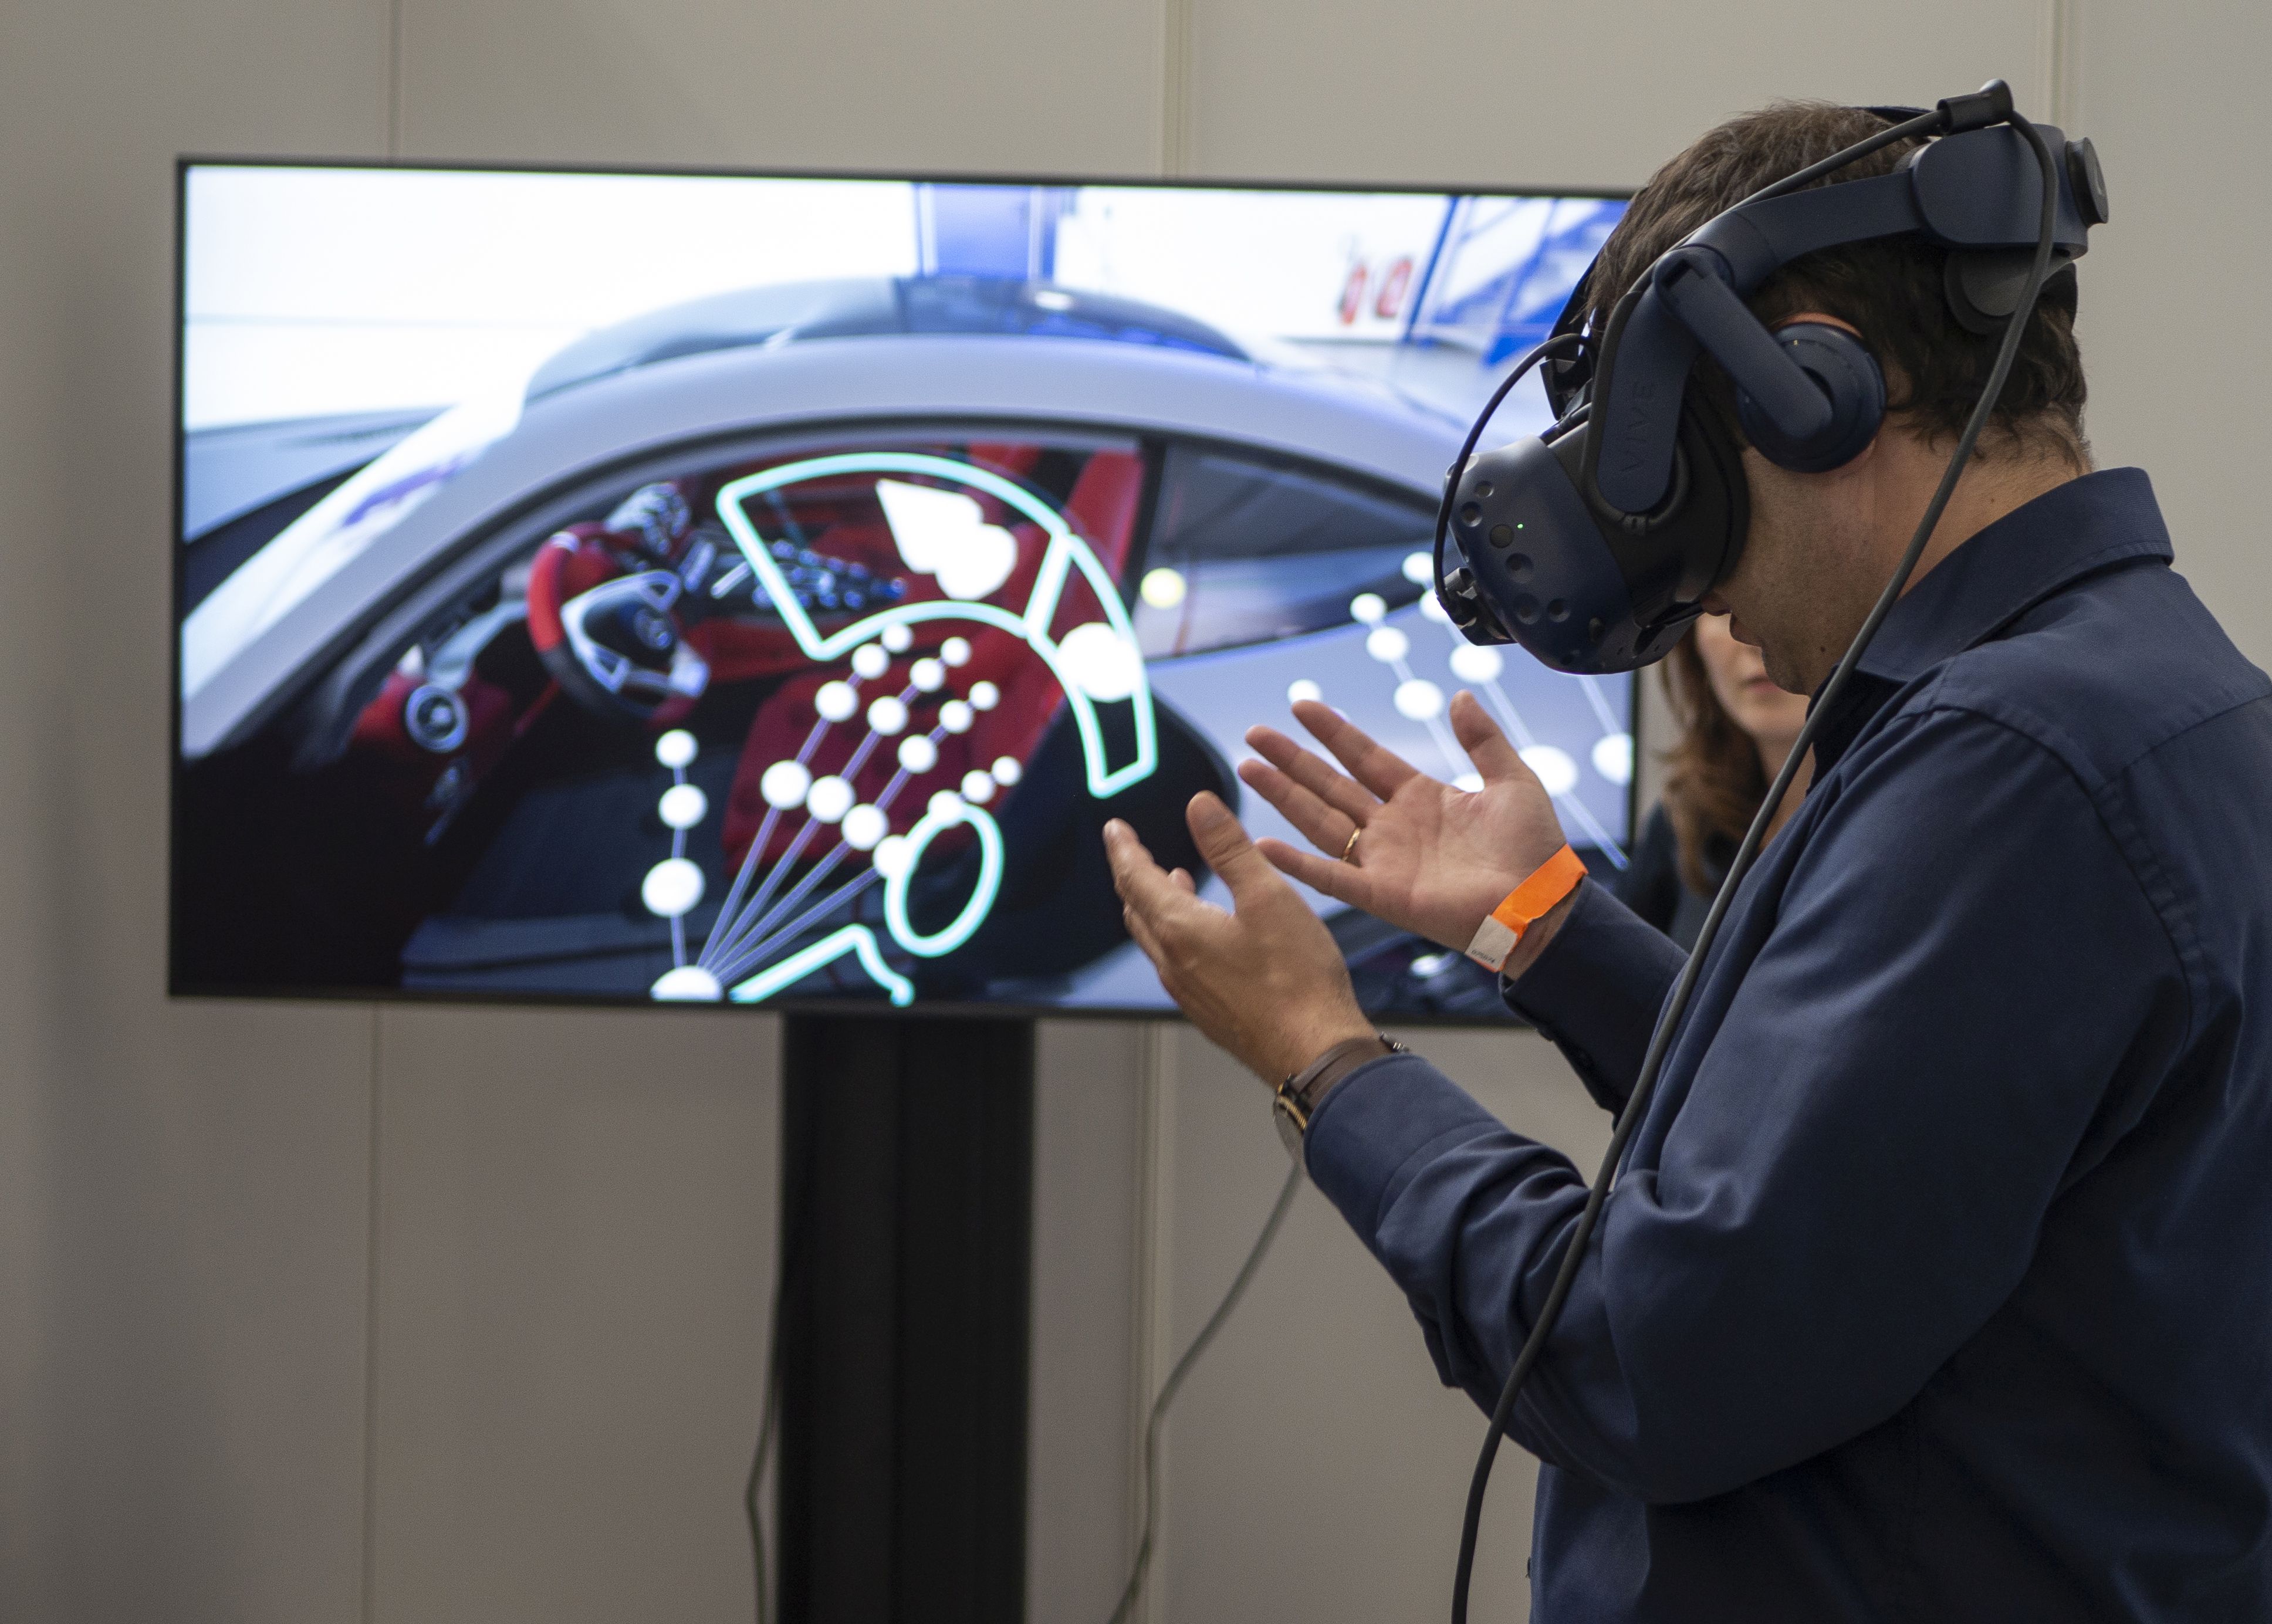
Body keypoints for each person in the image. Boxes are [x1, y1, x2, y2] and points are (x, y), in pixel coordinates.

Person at [1104, 99, 2272, 1620]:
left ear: (1810, 389)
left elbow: (1641, 1353)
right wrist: (1547, 925)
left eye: (1682, 476)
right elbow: (1864, 1171)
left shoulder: (2013, 766)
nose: (1698, 589)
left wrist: (1324, 1059)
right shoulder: (2148, 701)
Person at [1618, 615, 1810, 948]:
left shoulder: (1895, 820)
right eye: (1725, 611)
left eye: (1793, 601)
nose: (1755, 640)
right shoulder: (1686, 817)